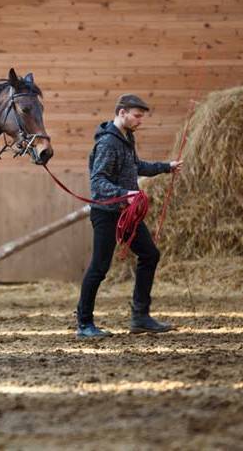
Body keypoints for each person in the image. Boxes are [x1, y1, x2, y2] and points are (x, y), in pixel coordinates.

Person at [76, 94, 183, 338]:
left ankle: (140, 317)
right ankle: (84, 324)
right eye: (136, 116)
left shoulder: (126, 138)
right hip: (107, 214)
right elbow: (98, 182)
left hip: (126, 212)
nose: (140, 121)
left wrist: (166, 167)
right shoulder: (107, 143)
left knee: (149, 254)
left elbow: (136, 167)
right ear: (121, 113)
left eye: (141, 117)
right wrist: (126, 194)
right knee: (99, 267)